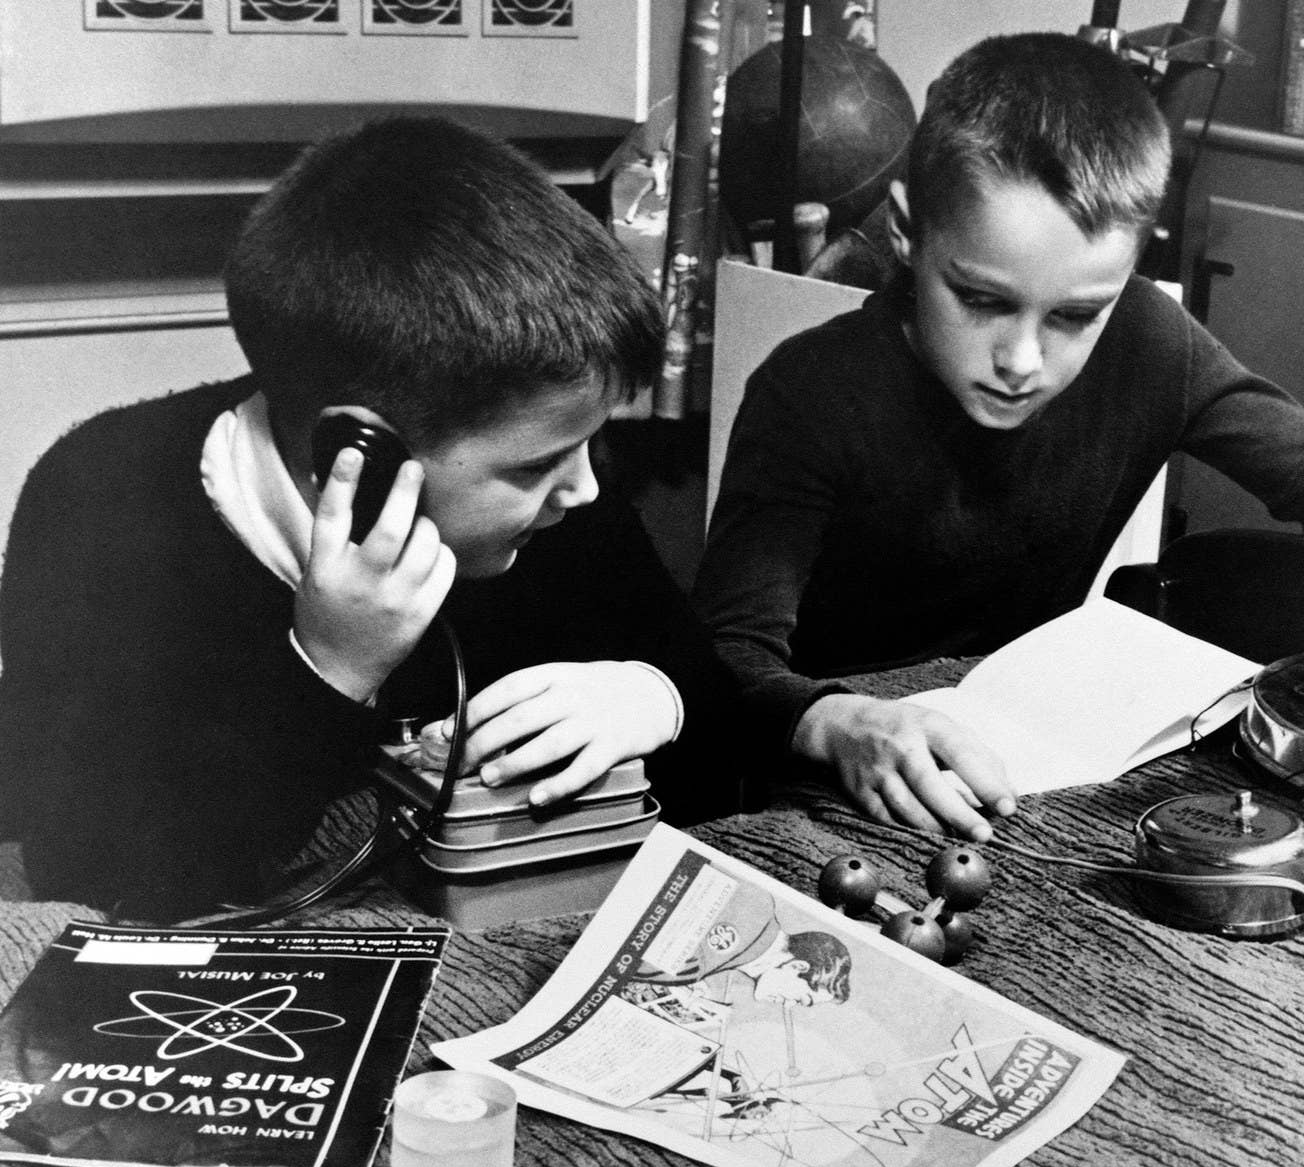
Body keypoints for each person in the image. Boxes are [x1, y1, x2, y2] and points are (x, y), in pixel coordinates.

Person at [0, 116, 745, 920]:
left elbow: (717, 711)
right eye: (534, 466)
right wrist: (329, 668)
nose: (586, 490)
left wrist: (650, 697)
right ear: (364, 450)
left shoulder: (556, 489)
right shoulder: (98, 501)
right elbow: (98, 873)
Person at [693, 33, 1304, 844]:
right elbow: (721, 659)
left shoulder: (1151, 341)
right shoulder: (809, 392)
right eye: (982, 300)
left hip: (1032, 765)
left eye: (1073, 316)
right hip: (829, 783)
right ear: (905, 233)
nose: (1022, 362)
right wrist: (837, 721)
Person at [629, 884, 852, 1007]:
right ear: (797, 967)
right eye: (803, 999)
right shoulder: (691, 966)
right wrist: (684, 977)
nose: (789, 1005)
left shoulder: (761, 897)